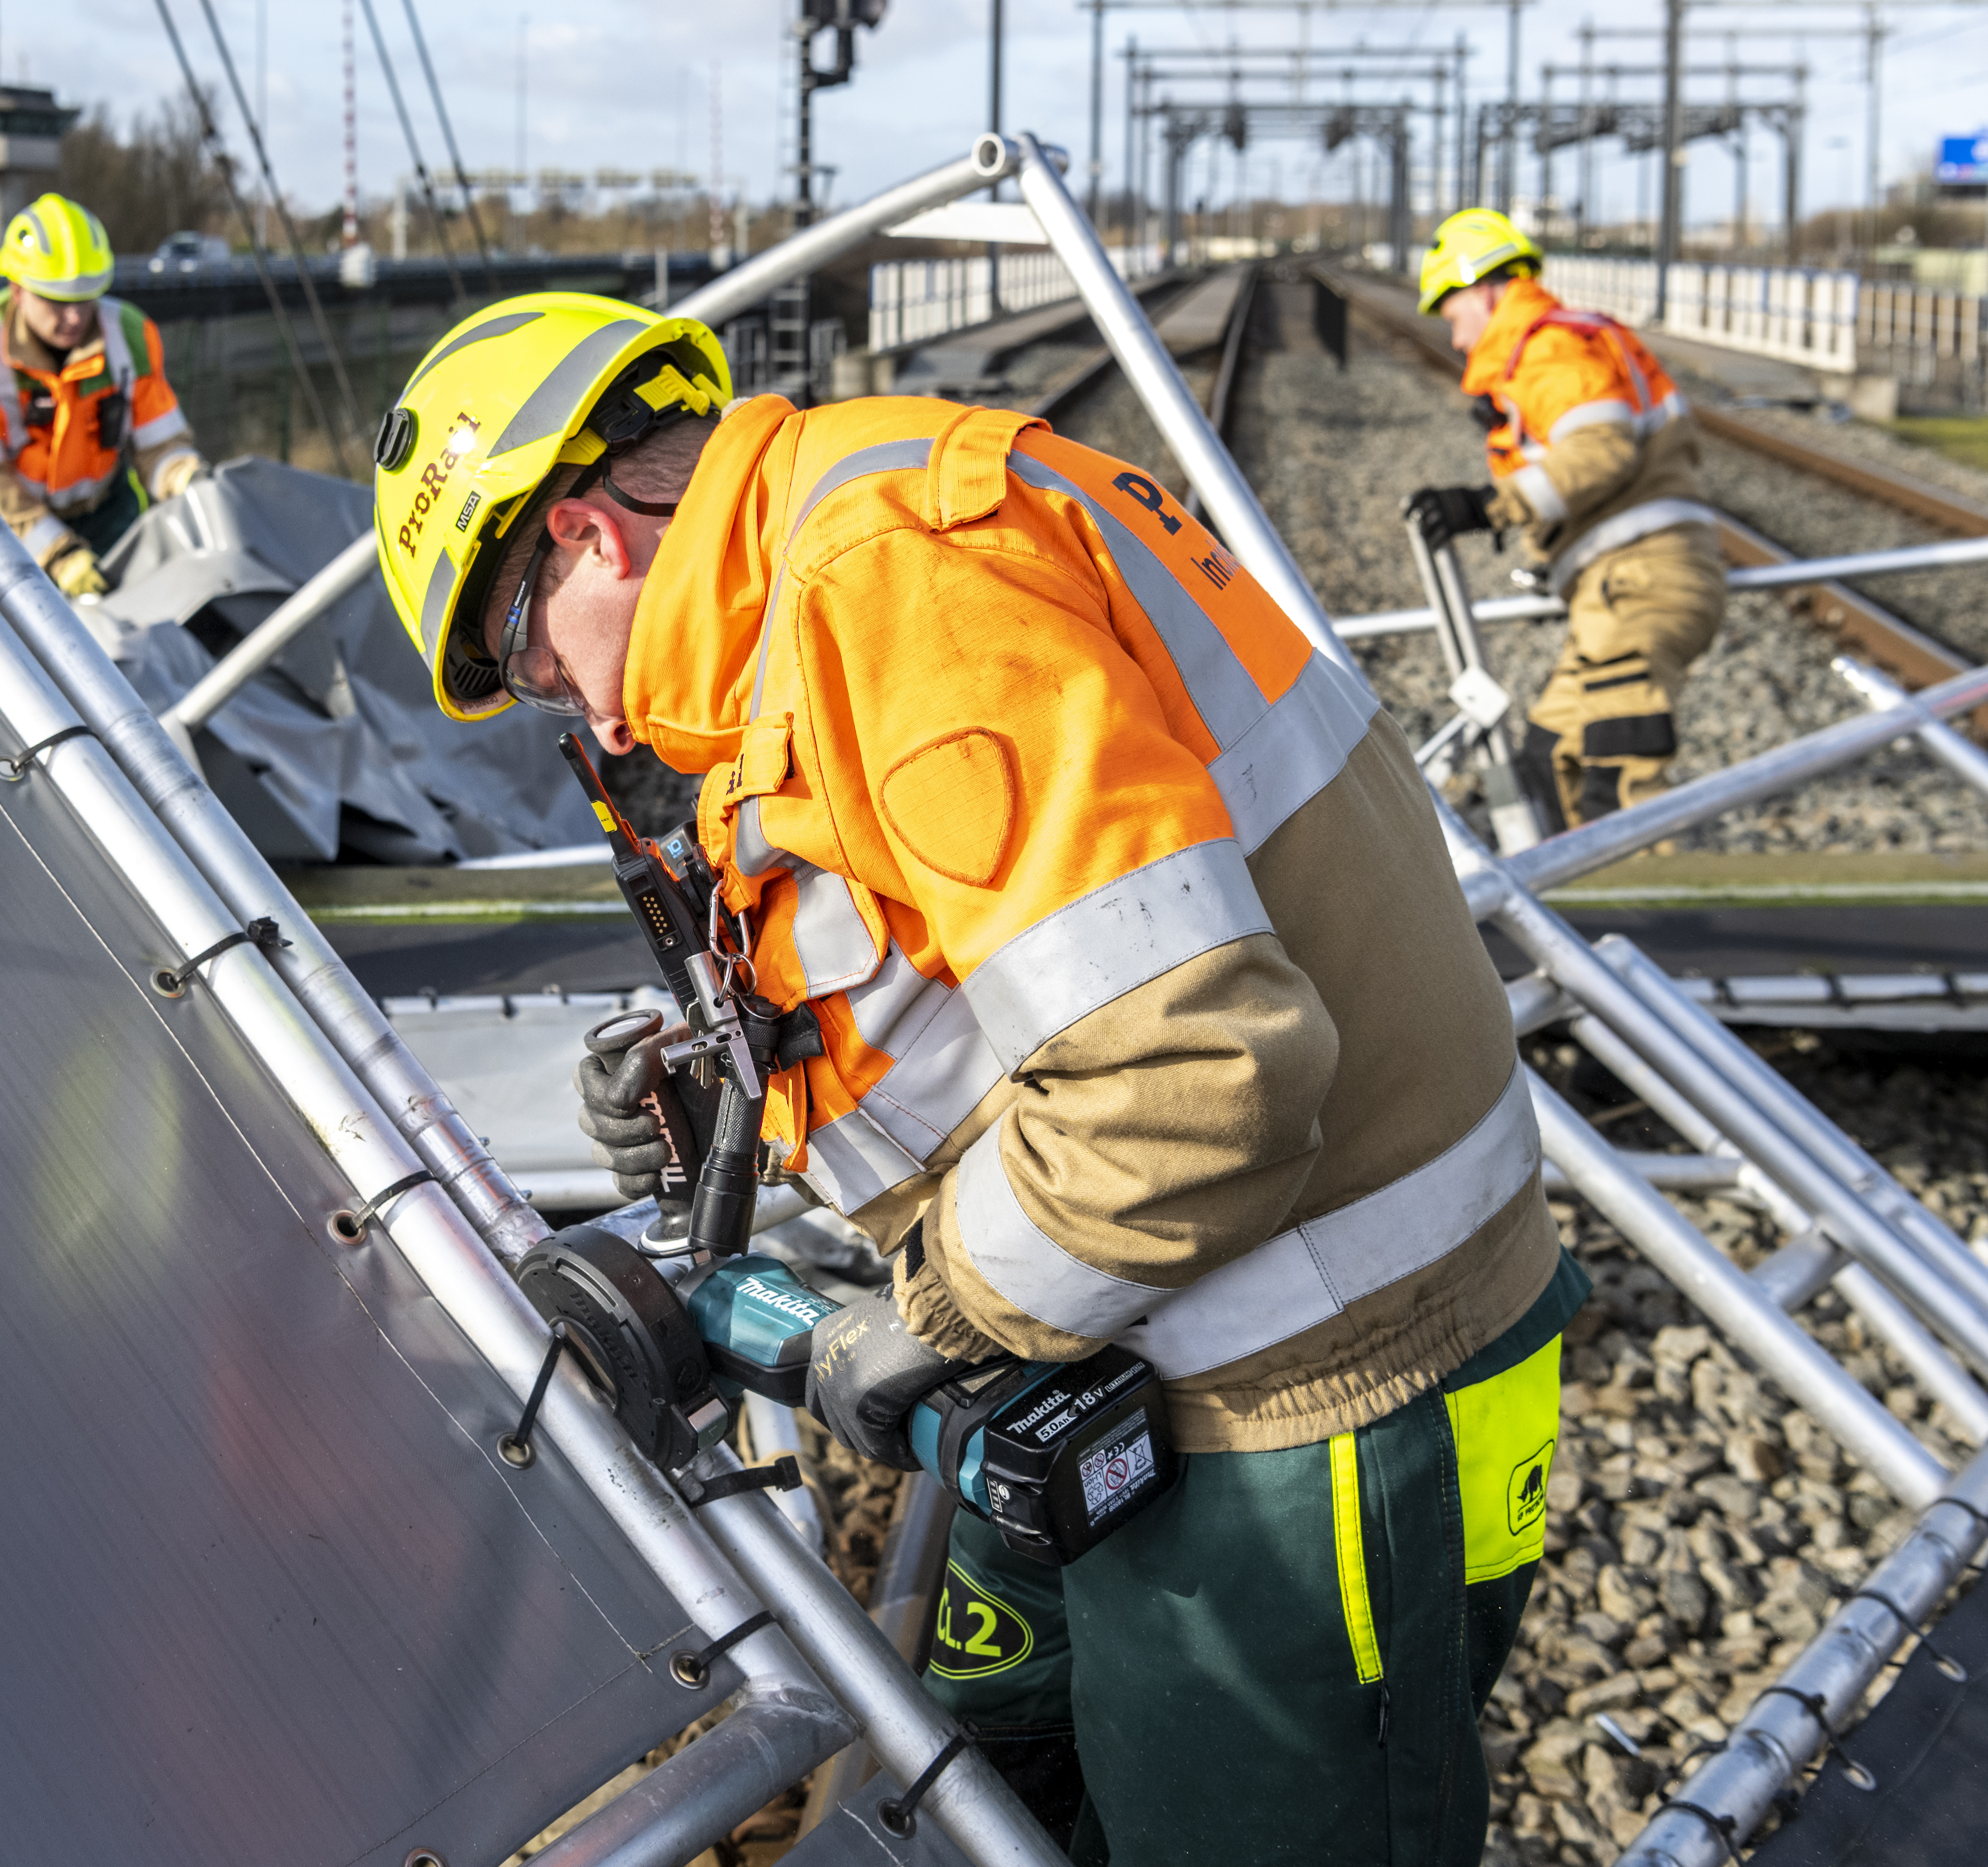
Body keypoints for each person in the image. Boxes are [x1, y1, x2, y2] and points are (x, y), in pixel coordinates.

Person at [371, 293, 1582, 1865]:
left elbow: (1191, 1068)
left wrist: (932, 1316)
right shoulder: (819, 571)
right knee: (1002, 1772)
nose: (585, 713)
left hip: (1318, 1380)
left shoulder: (886, 581)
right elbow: (984, 973)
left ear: (590, 537)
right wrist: (723, 1102)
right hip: (1138, 1339)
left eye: (535, 662)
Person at [1414, 208, 1726, 829]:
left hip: (1639, 579)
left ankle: (1651, 919)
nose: (1455, 340)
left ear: (1483, 289)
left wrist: (1489, 506)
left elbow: (1601, 451)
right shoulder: (1571, 341)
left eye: (1454, 317)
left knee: (1621, 774)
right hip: (1626, 584)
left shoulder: (1548, 347)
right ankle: (1562, 910)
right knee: (1547, 764)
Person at [0, 193, 206, 600]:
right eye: (58, 302)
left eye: (85, 299)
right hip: (14, 529)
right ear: (17, 289)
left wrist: (186, 477)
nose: (76, 318)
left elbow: (160, 443)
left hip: (109, 515)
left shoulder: (131, 336)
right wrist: (57, 554)